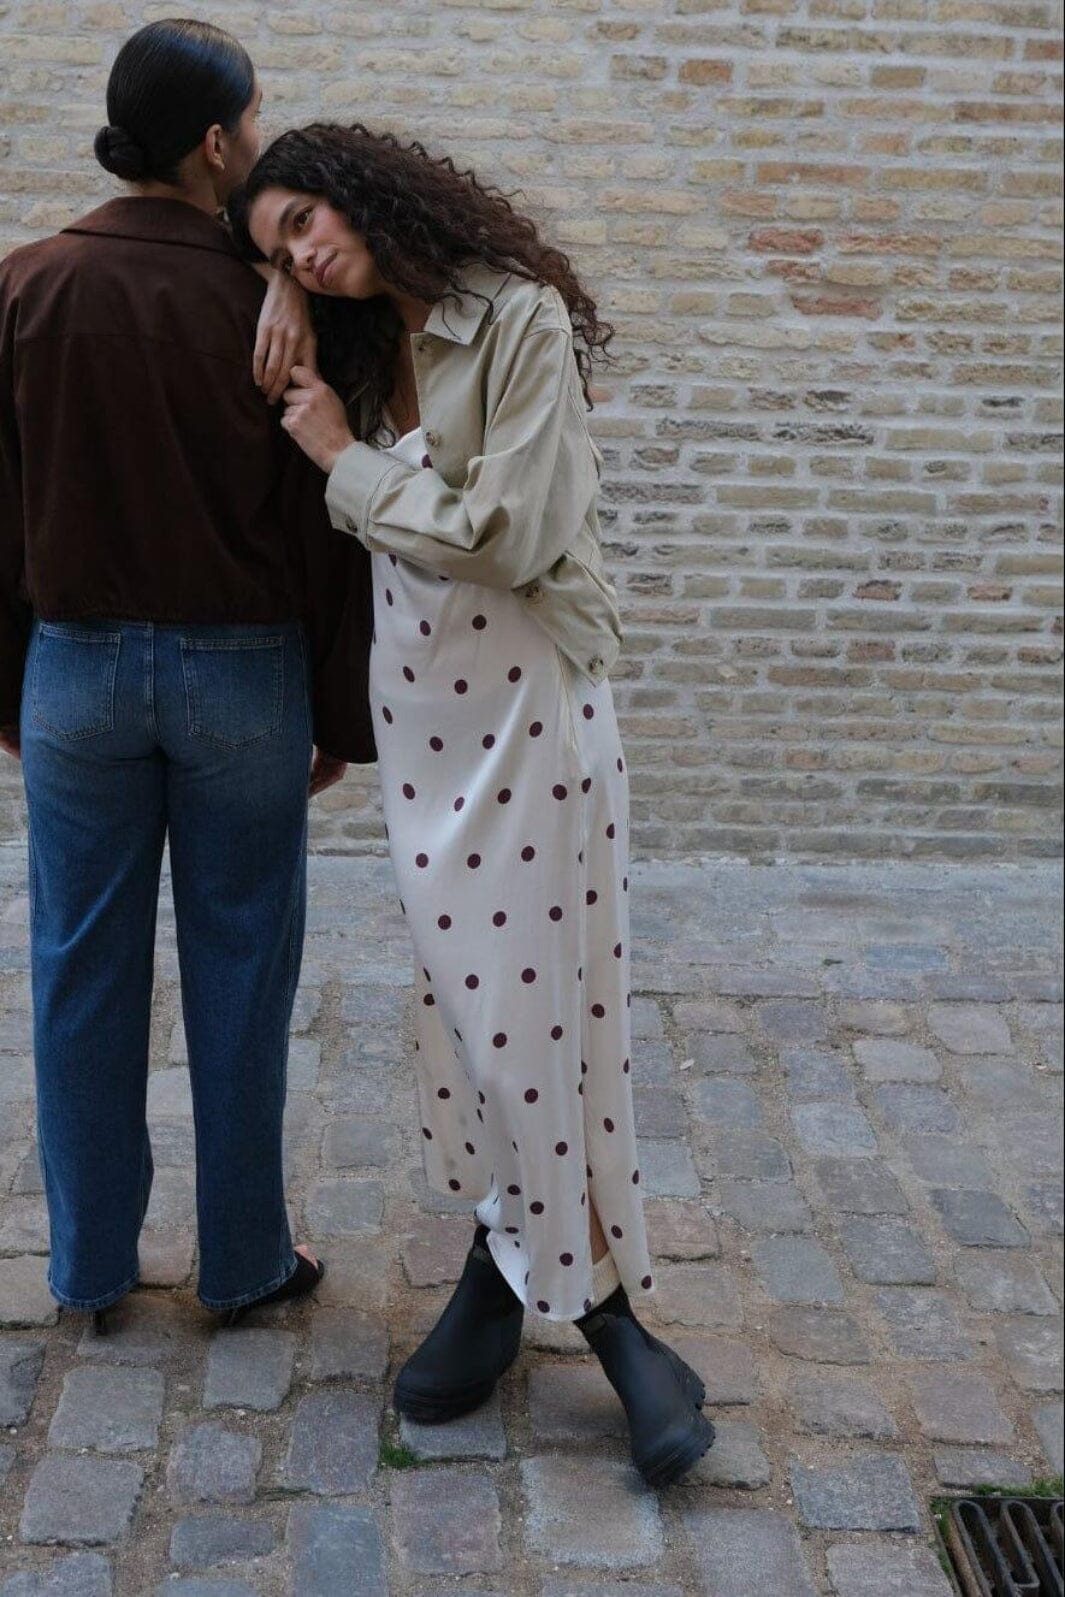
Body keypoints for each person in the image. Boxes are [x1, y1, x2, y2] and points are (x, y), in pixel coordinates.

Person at [235, 122, 716, 1486]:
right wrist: (274, 285)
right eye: (278, 246)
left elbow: (509, 534)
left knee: (539, 1014)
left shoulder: (517, 318)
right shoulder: (346, 336)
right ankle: (504, 1277)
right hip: (421, 719)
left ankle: (603, 1318)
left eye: (308, 220)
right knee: (468, 1007)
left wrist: (344, 457)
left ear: (365, 191)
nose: (304, 253)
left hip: (530, 708)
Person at [0, 24, 374, 1331]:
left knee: (79, 968)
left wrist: (12, 687)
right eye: (254, 120)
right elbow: (324, 521)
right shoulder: (270, 307)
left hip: (76, 671)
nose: (261, 141)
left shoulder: (25, 286)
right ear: (216, 143)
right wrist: (336, 710)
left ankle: (90, 1265)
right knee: (242, 965)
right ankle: (245, 1258)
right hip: (243, 677)